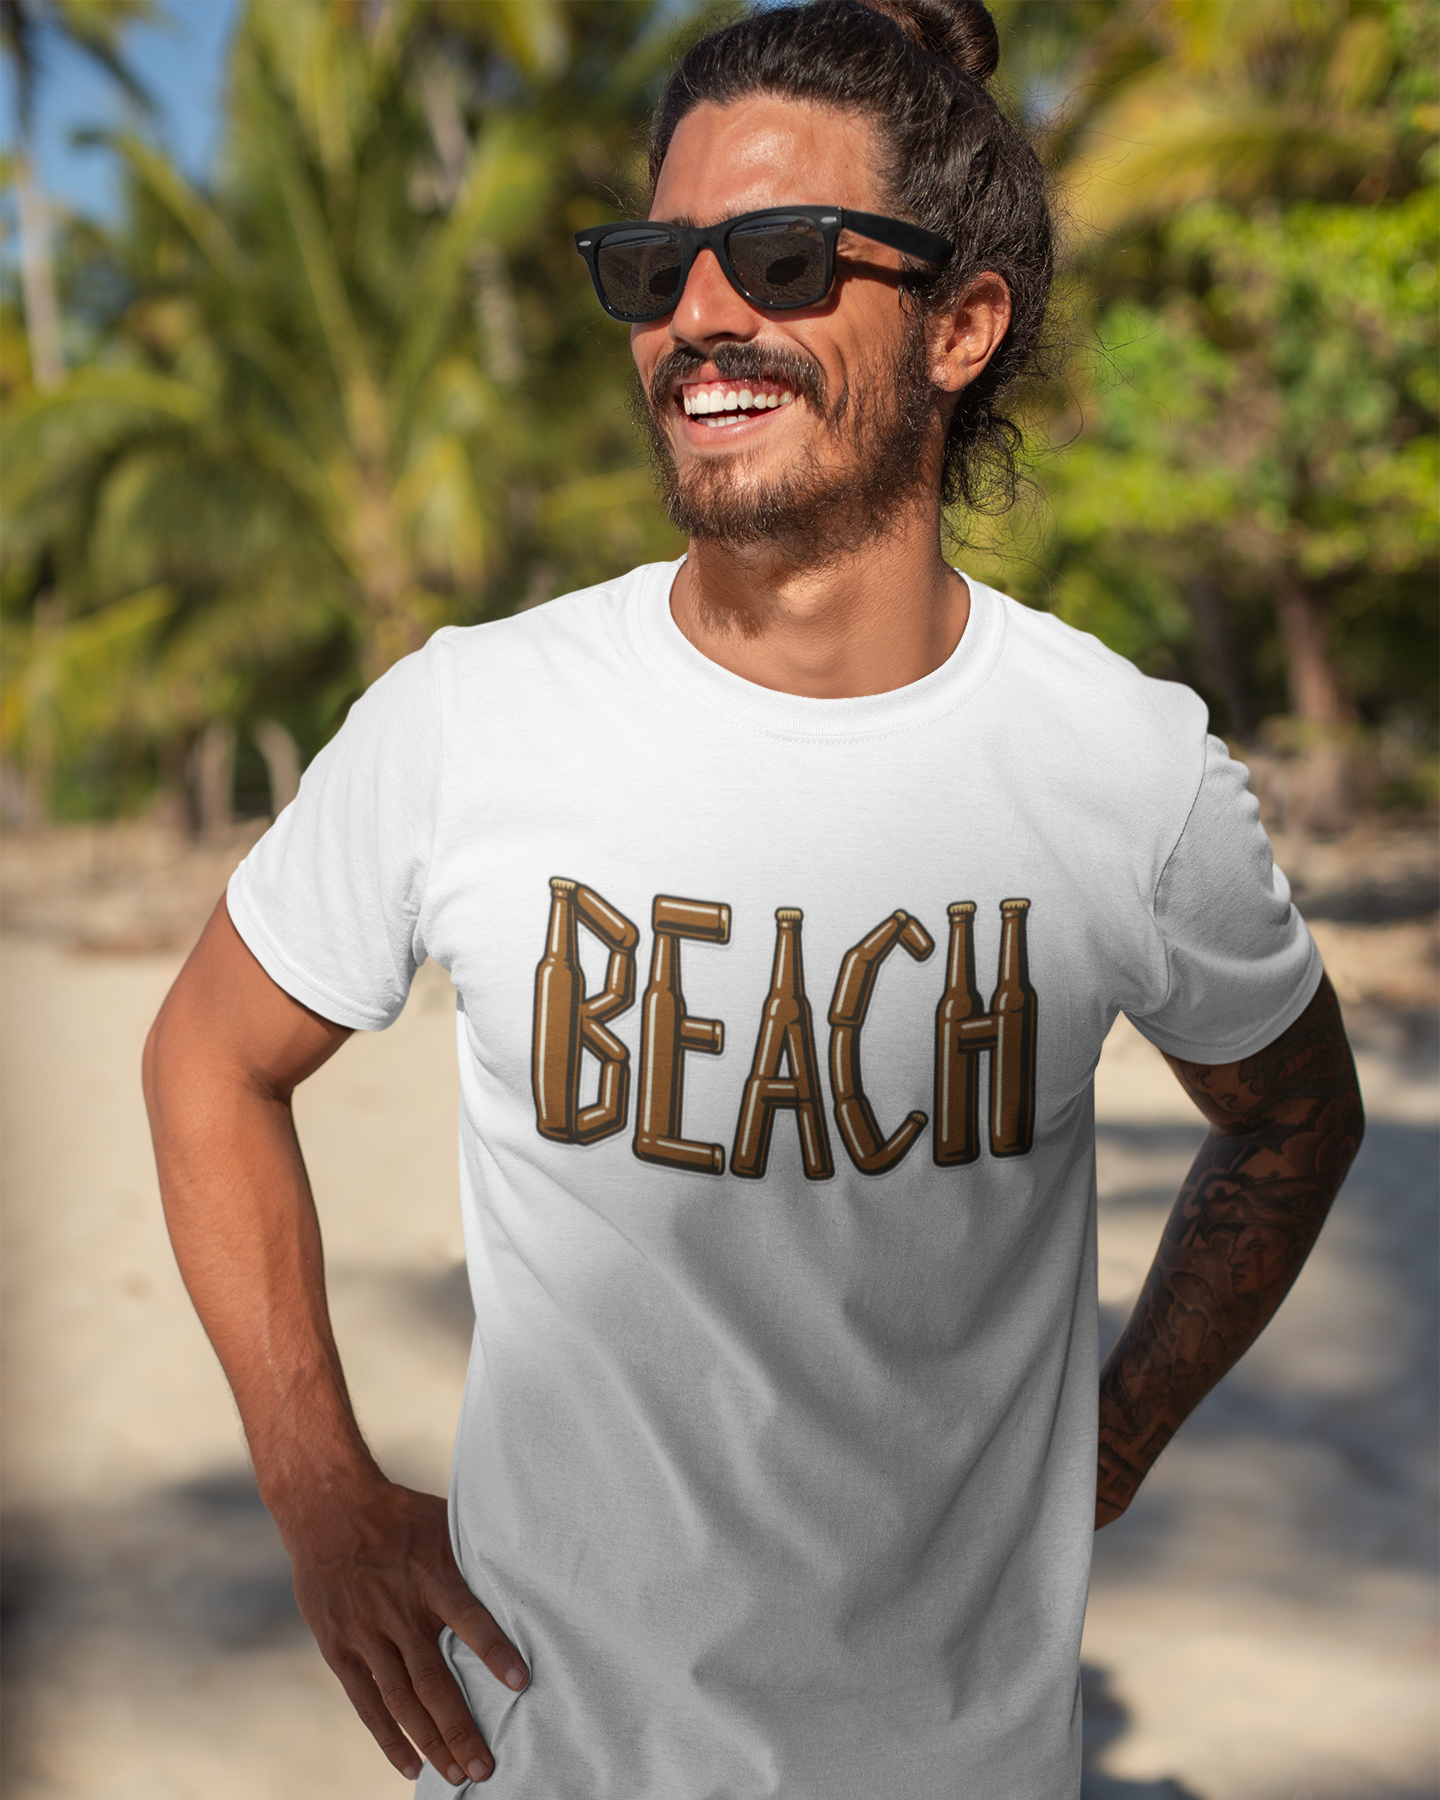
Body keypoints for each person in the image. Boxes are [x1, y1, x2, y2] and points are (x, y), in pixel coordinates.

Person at [142, 1, 1365, 1794]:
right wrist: (317, 1489)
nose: (702, 315)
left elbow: (1297, 1113)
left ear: (960, 325)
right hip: (544, 1758)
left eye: (785, 258)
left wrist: (1110, 1442)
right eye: (657, 268)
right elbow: (206, 1060)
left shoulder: (1124, 769)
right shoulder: (469, 719)